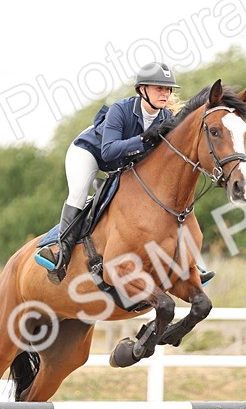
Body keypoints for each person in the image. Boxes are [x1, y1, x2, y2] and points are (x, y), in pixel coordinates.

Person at [35, 62, 213, 284]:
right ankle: (61, 250)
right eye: (159, 88)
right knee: (79, 193)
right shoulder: (121, 110)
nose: (165, 93)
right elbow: (108, 151)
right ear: (142, 90)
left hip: (123, 163)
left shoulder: (165, 119)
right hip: (91, 152)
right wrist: (141, 140)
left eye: (168, 89)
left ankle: (188, 263)